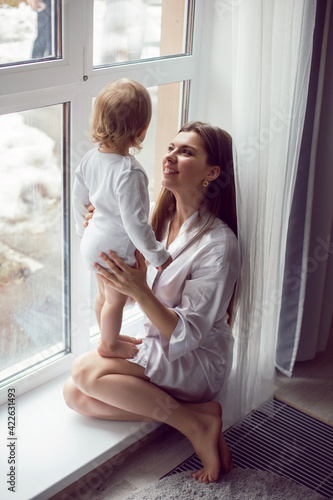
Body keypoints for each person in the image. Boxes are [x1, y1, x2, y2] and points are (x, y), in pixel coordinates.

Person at [64, 121, 240, 484]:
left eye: (185, 151)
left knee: (85, 372)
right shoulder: (154, 225)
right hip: (160, 343)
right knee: (76, 396)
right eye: (171, 147)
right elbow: (125, 302)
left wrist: (140, 288)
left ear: (212, 172)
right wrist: (103, 235)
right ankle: (199, 415)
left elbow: (189, 335)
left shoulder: (219, 245)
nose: (170, 157)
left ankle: (194, 425)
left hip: (197, 358)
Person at [72, 78, 171, 359]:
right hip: (115, 247)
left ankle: (108, 336)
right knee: (115, 300)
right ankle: (110, 345)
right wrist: (157, 255)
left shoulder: (90, 158)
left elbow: (79, 198)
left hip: (92, 242)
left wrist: (83, 227)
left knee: (103, 295)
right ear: (141, 131)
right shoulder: (130, 172)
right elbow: (136, 223)